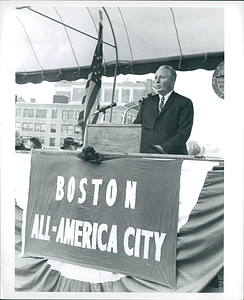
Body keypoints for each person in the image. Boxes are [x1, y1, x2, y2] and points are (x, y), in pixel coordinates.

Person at [133, 65, 194, 155]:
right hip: (147, 155)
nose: (157, 81)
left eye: (162, 77)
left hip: (173, 156)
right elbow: (136, 128)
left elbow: (183, 133)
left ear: (172, 81)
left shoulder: (184, 103)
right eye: (156, 77)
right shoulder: (146, 102)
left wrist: (162, 147)